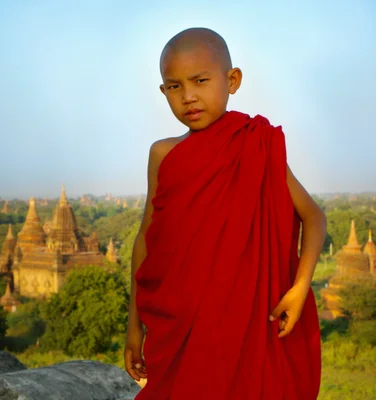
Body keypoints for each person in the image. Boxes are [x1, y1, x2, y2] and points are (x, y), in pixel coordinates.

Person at [124, 27, 326, 399]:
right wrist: (134, 326)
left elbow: (314, 217)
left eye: (200, 81)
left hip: (248, 322)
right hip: (184, 324)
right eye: (174, 86)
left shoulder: (256, 143)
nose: (188, 97)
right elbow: (146, 240)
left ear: (232, 80)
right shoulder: (163, 155)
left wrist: (299, 289)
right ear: (163, 91)